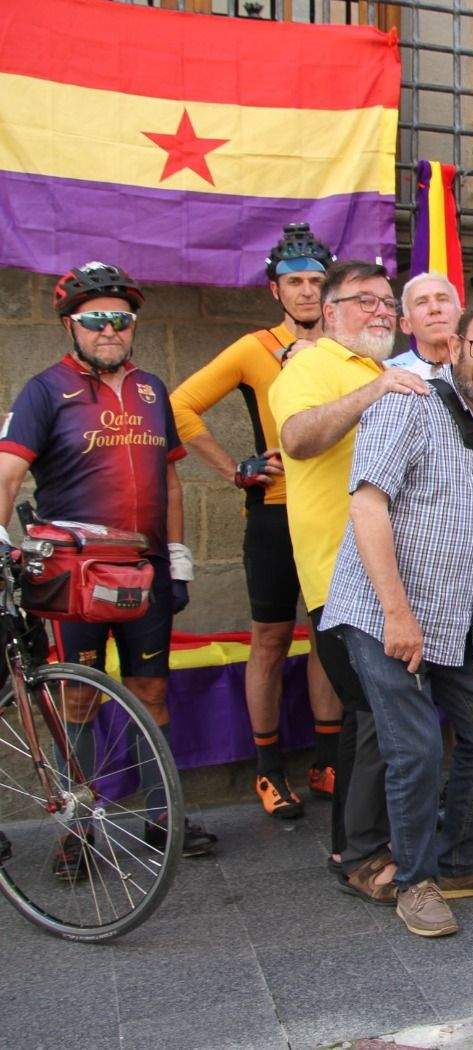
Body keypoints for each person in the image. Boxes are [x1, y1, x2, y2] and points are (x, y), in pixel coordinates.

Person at [320, 300, 473, 938]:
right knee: (413, 746)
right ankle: (416, 883)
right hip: (384, 613)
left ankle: (464, 863)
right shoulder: (407, 404)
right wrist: (395, 612)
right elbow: (367, 506)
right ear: (456, 345)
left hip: (459, 621)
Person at [0, 261, 214, 872]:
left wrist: (177, 557)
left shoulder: (151, 390)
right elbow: (9, 471)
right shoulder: (45, 390)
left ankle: (160, 818)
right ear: (71, 325)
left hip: (144, 571)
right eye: (95, 319)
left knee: (152, 691)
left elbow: (170, 478)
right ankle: (78, 830)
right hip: (74, 578)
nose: (109, 329)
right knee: (75, 700)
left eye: (120, 318)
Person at [169, 224, 344, 819]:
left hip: (338, 513)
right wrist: (234, 469)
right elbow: (180, 406)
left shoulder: (347, 346)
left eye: (317, 282)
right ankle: (268, 771)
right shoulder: (254, 348)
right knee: (270, 638)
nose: (306, 293)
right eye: (294, 282)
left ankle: (326, 760)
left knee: (330, 636)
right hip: (274, 514)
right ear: (275, 289)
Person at [270, 259, 430, 902]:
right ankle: (357, 854)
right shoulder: (309, 362)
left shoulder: (386, 368)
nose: (382, 311)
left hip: (394, 573)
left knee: (388, 714)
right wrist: (377, 391)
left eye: (387, 301)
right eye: (365, 301)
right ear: (329, 310)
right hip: (340, 576)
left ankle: (381, 839)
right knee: (370, 714)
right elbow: (297, 439)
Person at [387, 271, 461, 377]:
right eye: (421, 302)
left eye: (443, 299)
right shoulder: (387, 374)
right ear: (406, 325)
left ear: (461, 314)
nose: (435, 308)